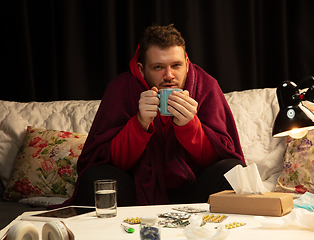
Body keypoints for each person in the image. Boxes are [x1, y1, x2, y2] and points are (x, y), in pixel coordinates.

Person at [55, 24, 246, 208]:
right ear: (141, 69)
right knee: (95, 178)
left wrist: (190, 127)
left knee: (234, 171)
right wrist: (139, 125)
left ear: (187, 64)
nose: (169, 75)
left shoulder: (206, 86)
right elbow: (106, 160)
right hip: (137, 192)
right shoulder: (121, 88)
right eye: (158, 67)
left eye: (176, 65)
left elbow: (221, 156)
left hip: (193, 189)